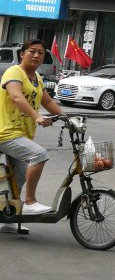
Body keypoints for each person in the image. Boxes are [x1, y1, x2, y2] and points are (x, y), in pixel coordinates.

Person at [0, 39, 69, 214]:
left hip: (21, 134)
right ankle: (30, 202)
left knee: (19, 177)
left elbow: (47, 101)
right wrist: (37, 116)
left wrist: (67, 119)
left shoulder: (37, 78)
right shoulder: (14, 71)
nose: (36, 55)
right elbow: (16, 97)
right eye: (32, 51)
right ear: (22, 54)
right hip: (5, 132)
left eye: (41, 53)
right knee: (39, 154)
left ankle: (8, 217)